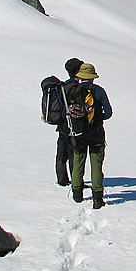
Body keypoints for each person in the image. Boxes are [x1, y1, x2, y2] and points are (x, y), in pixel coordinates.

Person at [67, 63, 113, 209]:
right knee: (96, 165)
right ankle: (97, 198)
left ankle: (77, 194)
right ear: (92, 78)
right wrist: (97, 118)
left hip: (78, 133)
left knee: (78, 161)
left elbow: (65, 113)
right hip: (96, 133)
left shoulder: (73, 91)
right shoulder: (99, 91)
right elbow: (109, 113)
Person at [55, 58, 83, 186]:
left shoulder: (62, 86)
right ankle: (77, 180)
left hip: (61, 124)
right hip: (73, 125)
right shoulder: (77, 88)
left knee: (61, 152)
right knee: (74, 154)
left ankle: (62, 179)